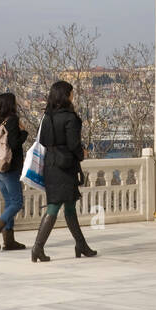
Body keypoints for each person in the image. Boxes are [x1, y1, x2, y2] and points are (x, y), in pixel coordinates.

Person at [31, 80, 98, 262]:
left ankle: (81, 245)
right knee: (54, 206)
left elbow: (43, 141)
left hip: (50, 164)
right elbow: (73, 144)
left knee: (69, 205)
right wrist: (82, 153)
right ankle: (37, 248)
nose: (73, 96)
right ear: (66, 96)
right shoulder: (70, 118)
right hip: (65, 165)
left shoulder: (47, 117)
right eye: (71, 93)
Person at [0, 92, 28, 251]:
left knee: (9, 202)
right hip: (9, 168)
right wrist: (23, 132)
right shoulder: (12, 120)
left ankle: (9, 241)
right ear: (11, 104)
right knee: (17, 203)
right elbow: (14, 144)